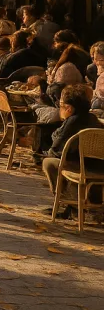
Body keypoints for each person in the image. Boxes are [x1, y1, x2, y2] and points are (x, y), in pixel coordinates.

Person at [41, 84, 104, 219]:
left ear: (69, 108)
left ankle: (69, 202)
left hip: (81, 165)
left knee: (49, 162)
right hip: (97, 166)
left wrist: (46, 154)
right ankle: (74, 205)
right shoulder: (92, 118)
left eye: (62, 105)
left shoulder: (72, 121)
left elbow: (57, 147)